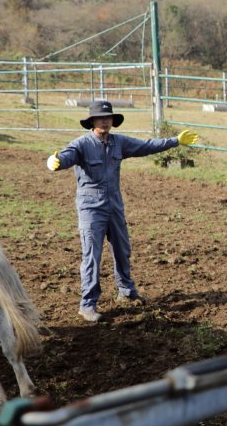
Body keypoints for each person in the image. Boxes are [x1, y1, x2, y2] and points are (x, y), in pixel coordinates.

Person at [46, 101, 198, 322]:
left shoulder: (119, 143)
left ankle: (126, 291)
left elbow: (147, 146)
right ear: (92, 122)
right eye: (100, 118)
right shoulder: (81, 144)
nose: (105, 121)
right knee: (92, 255)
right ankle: (87, 304)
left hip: (114, 205)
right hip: (91, 208)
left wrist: (174, 141)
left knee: (122, 248)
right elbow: (66, 157)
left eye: (108, 117)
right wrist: (56, 162)